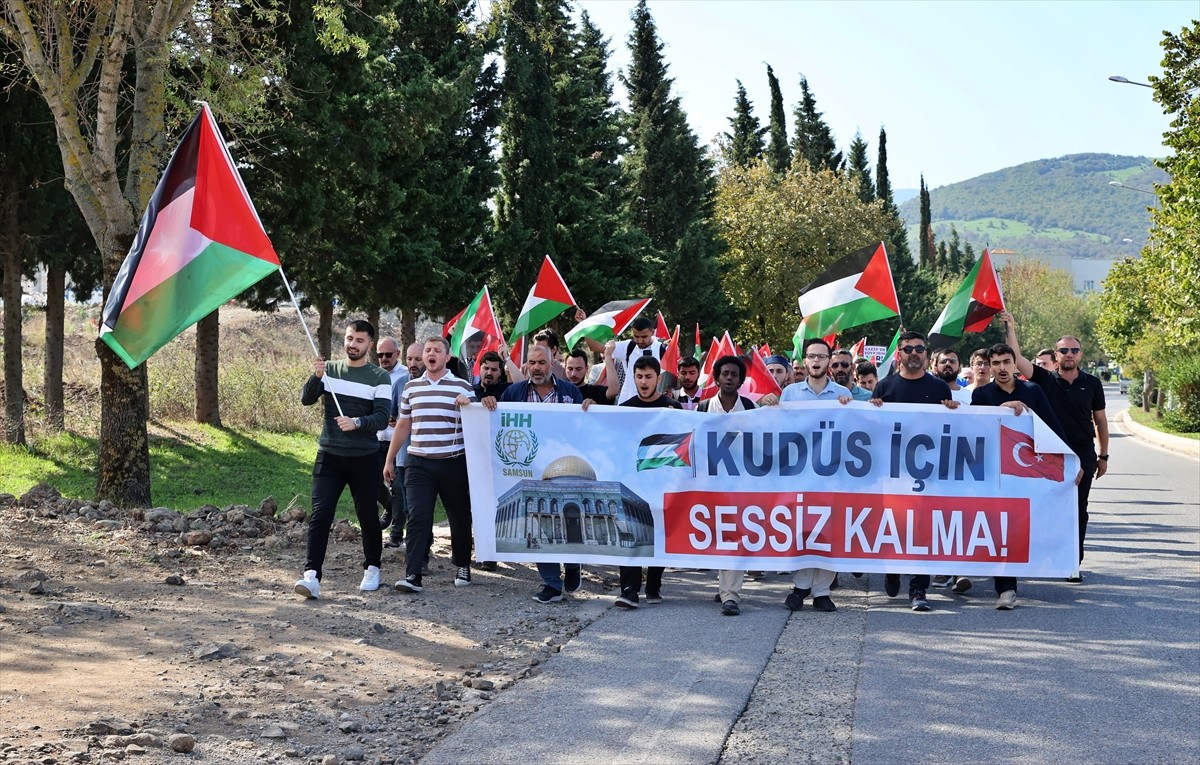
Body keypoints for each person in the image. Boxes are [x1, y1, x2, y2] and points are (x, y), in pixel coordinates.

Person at [483, 345, 595, 603]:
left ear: (551, 364)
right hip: (531, 470)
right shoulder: (514, 392)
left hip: (565, 468)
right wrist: (487, 403)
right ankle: (552, 584)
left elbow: (585, 424)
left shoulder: (569, 392)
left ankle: (572, 563)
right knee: (538, 520)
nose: (536, 368)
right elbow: (497, 418)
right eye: (532, 363)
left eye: (541, 362)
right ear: (526, 366)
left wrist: (590, 407)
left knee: (568, 519)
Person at [1001, 313, 1108, 582]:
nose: (1069, 354)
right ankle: (1044, 559)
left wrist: (1103, 455)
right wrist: (1010, 327)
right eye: (1064, 350)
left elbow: (1100, 421)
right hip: (1049, 453)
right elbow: (1017, 359)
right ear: (1056, 354)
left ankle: (1073, 563)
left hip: (1082, 455)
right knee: (1046, 507)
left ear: (1080, 354)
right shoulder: (1045, 379)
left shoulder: (1092, 384)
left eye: (1074, 350)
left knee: (1078, 509)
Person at [295, 320, 393, 599]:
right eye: (350, 338)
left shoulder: (379, 377)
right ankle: (311, 576)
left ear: (369, 345)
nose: (352, 344)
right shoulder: (330, 370)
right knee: (321, 514)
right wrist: (316, 376)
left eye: (359, 340)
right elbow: (306, 399)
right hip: (329, 456)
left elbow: (382, 418)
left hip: (364, 458)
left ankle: (372, 567)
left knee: (367, 516)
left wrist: (357, 422)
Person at [970, 343, 1071, 610]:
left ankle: (1019, 579)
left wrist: (1072, 460)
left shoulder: (1033, 391)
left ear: (1015, 364)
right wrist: (1001, 411)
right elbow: (973, 431)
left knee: (1017, 526)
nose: (1002, 368)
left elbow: (1052, 427)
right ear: (990, 367)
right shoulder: (981, 394)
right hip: (992, 472)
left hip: (1025, 473)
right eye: (996, 363)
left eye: (1006, 362)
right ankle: (1002, 586)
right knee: (996, 526)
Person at [869, 330, 959, 612]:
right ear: (900, 354)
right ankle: (892, 569)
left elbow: (949, 429)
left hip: (927, 473)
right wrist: (872, 409)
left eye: (919, 349)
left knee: (923, 529)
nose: (914, 354)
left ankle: (918, 589)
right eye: (908, 349)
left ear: (926, 355)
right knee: (894, 525)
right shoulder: (884, 387)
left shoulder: (940, 388)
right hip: (892, 472)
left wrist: (952, 410)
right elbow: (870, 429)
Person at [385, 336, 476, 593]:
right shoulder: (411, 388)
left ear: (447, 357)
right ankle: (413, 575)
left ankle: (462, 564)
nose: (431, 354)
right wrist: (390, 459)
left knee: (459, 516)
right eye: (427, 350)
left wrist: (469, 406)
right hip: (418, 464)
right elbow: (403, 424)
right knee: (417, 518)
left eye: (437, 350)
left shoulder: (463, 386)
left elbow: (476, 423)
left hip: (453, 462)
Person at [777, 338, 852, 612]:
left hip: (832, 477)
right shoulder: (790, 394)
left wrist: (849, 408)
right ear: (805, 361)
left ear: (829, 361)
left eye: (821, 356)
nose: (816, 361)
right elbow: (778, 429)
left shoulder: (843, 394)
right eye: (812, 356)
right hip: (800, 475)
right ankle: (801, 586)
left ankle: (822, 591)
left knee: (829, 531)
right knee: (803, 530)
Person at [615, 356, 681, 609]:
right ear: (634, 378)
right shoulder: (624, 409)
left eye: (648, 377)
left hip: (662, 484)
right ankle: (629, 589)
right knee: (630, 533)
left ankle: (653, 584)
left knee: (659, 533)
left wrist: (676, 420)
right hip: (632, 483)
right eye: (639, 377)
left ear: (658, 378)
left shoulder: (672, 407)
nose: (644, 382)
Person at [696, 355, 759, 616]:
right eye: (725, 374)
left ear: (741, 380)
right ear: (717, 378)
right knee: (716, 536)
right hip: (709, 486)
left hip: (740, 486)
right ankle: (724, 585)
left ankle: (730, 595)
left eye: (734, 374)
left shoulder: (752, 409)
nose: (730, 378)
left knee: (734, 536)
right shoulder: (702, 409)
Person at [383, 342, 426, 550]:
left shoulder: (433, 385)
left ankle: (421, 543)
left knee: (419, 505)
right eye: (409, 359)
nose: (413, 363)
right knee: (402, 498)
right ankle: (398, 535)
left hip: (426, 456)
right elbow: (392, 416)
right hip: (402, 454)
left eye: (418, 359)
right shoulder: (400, 383)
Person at [586, 316, 666, 405]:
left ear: (652, 332)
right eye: (636, 336)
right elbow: (594, 347)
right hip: (628, 403)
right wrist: (584, 326)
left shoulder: (663, 350)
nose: (640, 340)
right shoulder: (629, 346)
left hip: (654, 405)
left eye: (644, 336)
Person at [375, 337, 407, 535]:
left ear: (397, 354)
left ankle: (396, 532)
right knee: (372, 481)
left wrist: (399, 419)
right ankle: (389, 506)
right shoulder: (372, 374)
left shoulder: (406, 376)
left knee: (398, 485)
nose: (384, 358)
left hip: (397, 439)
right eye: (380, 355)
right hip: (376, 438)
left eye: (388, 354)